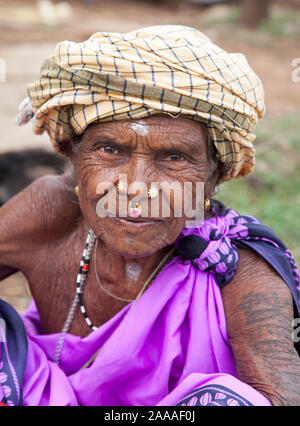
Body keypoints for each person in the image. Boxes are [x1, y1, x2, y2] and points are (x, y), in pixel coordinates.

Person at [0, 25, 300, 407]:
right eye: (110, 149)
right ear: (72, 157)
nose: (137, 187)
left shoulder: (239, 270)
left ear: (215, 175)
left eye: (173, 157)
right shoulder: (49, 214)